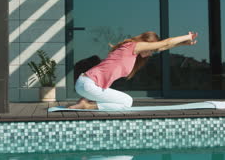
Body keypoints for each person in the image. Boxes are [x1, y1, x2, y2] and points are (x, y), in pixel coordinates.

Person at [68, 31, 198, 110]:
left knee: (125, 101)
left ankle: (86, 102)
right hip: (87, 84)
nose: (151, 53)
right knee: (127, 102)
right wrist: (186, 36)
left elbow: (162, 47)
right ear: (147, 43)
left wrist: (183, 44)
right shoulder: (134, 46)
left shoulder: (131, 50)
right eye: (151, 49)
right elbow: (164, 43)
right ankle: (87, 105)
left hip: (87, 84)